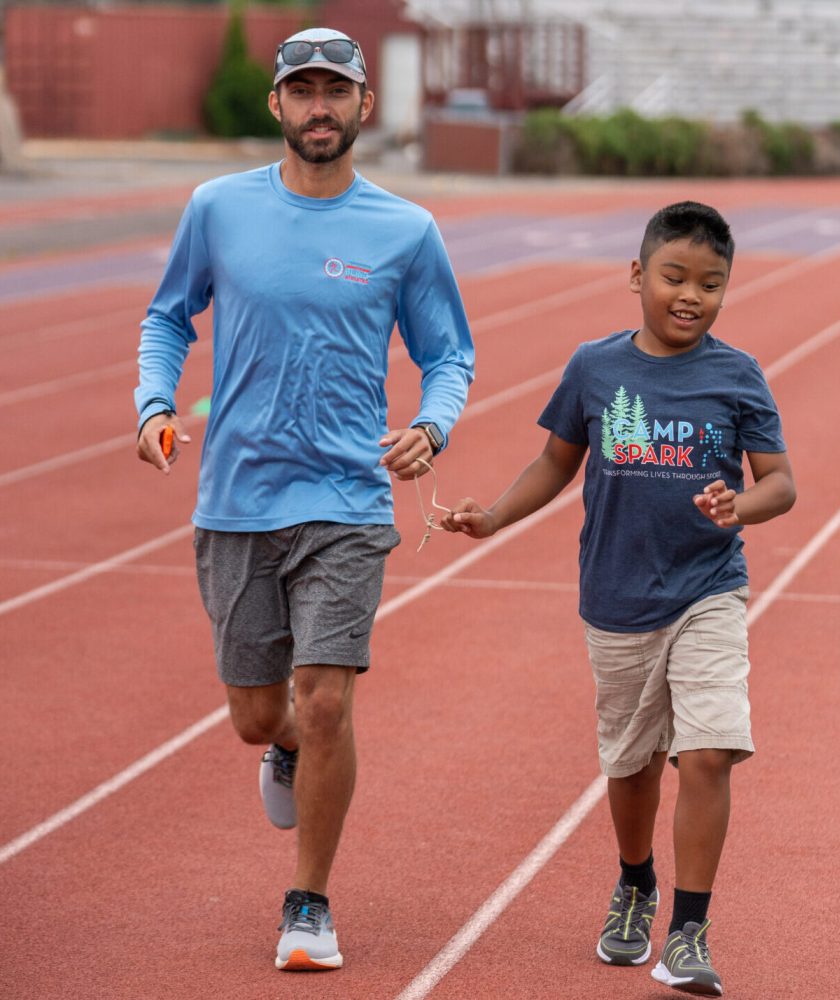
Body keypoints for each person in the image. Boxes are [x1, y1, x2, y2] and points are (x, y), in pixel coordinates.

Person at [134, 27, 474, 972]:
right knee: (258, 713)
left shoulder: (405, 230)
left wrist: (432, 424)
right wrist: (155, 404)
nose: (319, 106)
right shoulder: (217, 209)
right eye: (303, 90)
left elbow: (448, 353)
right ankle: (276, 746)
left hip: (349, 499)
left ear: (365, 106)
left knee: (326, 703)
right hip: (238, 498)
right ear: (276, 106)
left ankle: (309, 902)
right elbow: (169, 317)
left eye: (337, 90)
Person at [443, 202, 795, 996]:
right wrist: (494, 516)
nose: (690, 296)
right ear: (637, 275)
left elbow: (782, 483)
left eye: (711, 284)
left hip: (709, 588)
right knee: (632, 766)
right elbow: (554, 462)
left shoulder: (737, 376)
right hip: (617, 597)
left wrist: (743, 506)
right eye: (674, 276)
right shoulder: (594, 369)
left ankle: (689, 932)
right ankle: (635, 881)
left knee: (708, 751)